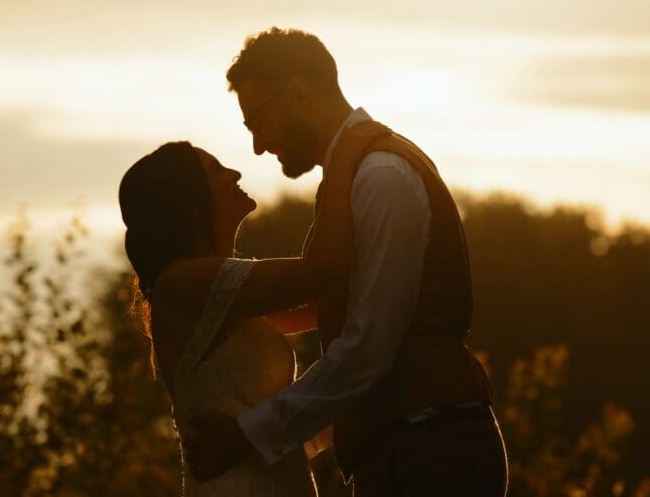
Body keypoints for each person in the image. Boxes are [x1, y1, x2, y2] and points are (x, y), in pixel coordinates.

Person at [184, 27, 508, 496]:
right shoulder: (355, 178)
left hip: (427, 451)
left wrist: (250, 435)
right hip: (411, 447)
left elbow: (369, 347)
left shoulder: (381, 178)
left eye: (257, 121)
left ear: (297, 93)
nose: (257, 145)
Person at [118, 122, 389, 495]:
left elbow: (335, 302)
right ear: (191, 204)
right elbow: (322, 273)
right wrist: (340, 163)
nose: (235, 172)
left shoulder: (226, 303)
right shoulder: (183, 282)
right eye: (216, 171)